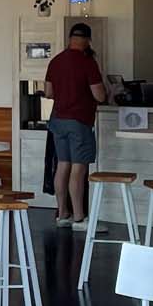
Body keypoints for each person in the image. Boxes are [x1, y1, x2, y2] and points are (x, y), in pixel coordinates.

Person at [45, 22, 108, 227]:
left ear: (70, 39)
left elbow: (49, 93)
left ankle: (62, 214)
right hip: (79, 121)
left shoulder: (55, 61)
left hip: (58, 120)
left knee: (63, 165)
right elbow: (99, 95)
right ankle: (79, 218)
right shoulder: (87, 63)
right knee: (78, 169)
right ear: (88, 40)